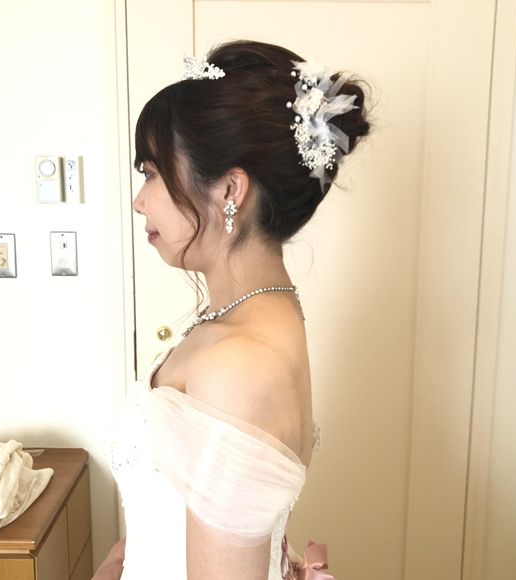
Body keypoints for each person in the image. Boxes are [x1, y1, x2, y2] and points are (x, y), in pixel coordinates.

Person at [93, 39, 371, 580]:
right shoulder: (257, 317)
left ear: (229, 189)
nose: (140, 200)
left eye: (151, 172)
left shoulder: (241, 362)